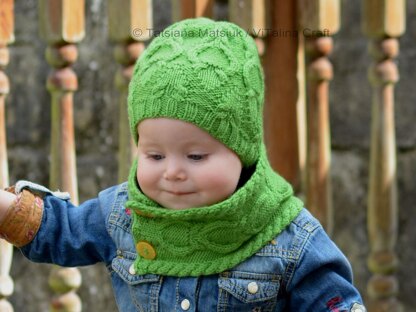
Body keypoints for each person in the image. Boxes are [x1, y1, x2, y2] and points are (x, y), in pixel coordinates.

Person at [0, 18, 366, 312]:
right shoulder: (124, 214)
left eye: (195, 156)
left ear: (244, 150)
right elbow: (63, 230)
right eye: (154, 156)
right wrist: (7, 210)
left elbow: (333, 301)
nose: (172, 171)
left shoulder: (286, 235)